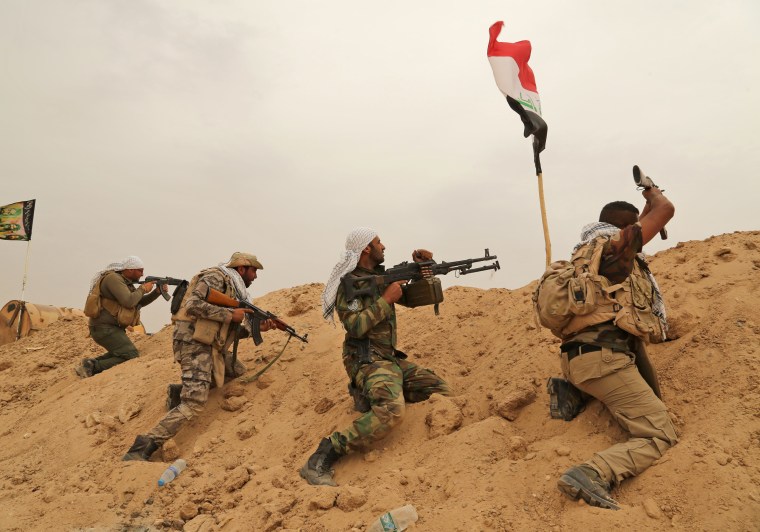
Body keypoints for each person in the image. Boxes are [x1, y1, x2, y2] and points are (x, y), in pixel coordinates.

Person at [555, 184, 678, 510]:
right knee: (659, 435)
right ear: (628, 229)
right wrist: (652, 192)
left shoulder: (586, 255)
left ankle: (570, 394)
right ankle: (593, 473)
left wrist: (645, 207)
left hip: (579, 358)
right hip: (604, 361)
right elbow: (666, 209)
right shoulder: (614, 248)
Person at [300, 228, 451, 486]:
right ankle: (326, 452)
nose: (384, 246)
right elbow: (356, 326)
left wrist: (424, 268)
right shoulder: (350, 285)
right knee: (391, 411)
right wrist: (385, 299)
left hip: (388, 359)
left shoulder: (381, 277)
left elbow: (420, 300)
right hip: (366, 360)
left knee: (438, 389)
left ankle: (374, 396)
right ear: (366, 249)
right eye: (379, 242)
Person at [122, 252, 275, 461]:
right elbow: (193, 305)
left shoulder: (236, 290)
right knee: (195, 402)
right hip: (193, 343)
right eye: (253, 271)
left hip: (209, 344)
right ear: (241, 269)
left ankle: (179, 391)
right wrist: (231, 315)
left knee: (238, 371)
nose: (255, 276)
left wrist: (258, 328)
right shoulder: (216, 277)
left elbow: (226, 330)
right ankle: (143, 446)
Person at [77, 256, 164, 378]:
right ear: (130, 270)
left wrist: (157, 292)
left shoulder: (124, 282)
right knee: (131, 354)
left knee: (123, 353)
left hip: (111, 328)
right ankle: (93, 367)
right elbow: (129, 301)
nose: (142, 274)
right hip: (104, 328)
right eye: (140, 270)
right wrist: (143, 288)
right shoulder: (113, 279)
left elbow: (137, 302)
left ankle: (89, 364)